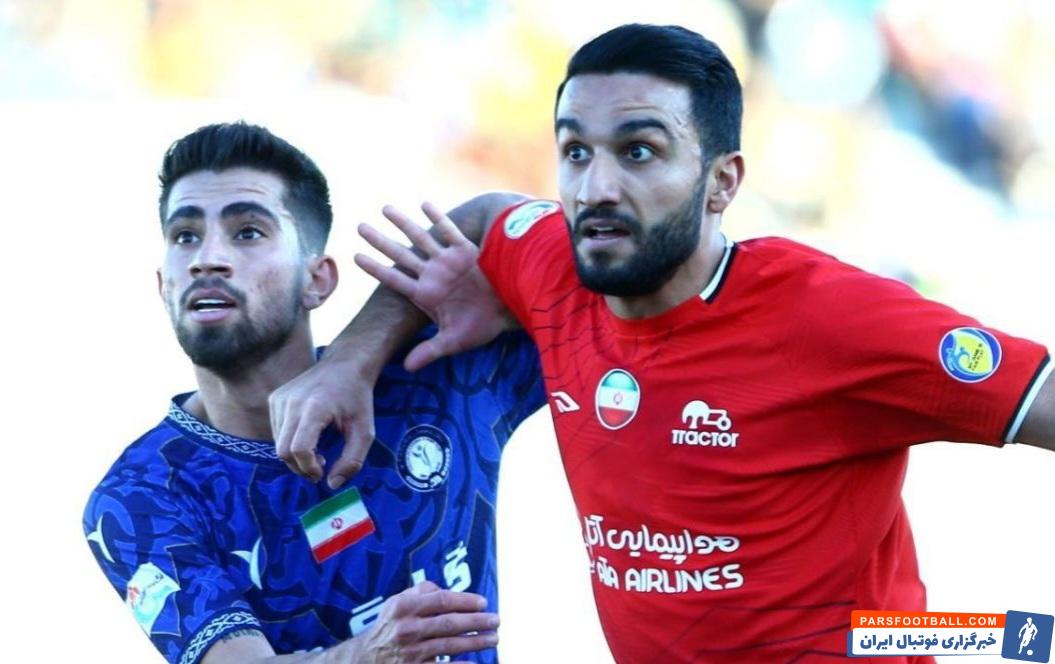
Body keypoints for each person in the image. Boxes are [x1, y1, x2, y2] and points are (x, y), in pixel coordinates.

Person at [269, 24, 1055, 663]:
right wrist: (349, 362)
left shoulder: (829, 316)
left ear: (722, 182)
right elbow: (484, 218)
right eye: (575, 151)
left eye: (638, 151)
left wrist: (1025, 637)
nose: (595, 188)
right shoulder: (557, 267)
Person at [82, 122, 544, 664]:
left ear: (318, 280)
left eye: (247, 232)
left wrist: (355, 354)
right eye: (185, 236)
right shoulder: (140, 493)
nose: (207, 258)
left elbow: (521, 222)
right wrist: (369, 654)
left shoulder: (432, 372)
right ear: (164, 285)